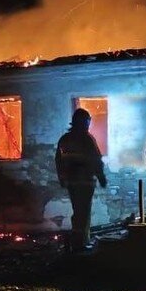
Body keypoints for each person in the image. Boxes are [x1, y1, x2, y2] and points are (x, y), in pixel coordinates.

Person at [55, 108, 107, 251]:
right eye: (87, 120)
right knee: (83, 212)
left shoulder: (64, 139)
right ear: (84, 121)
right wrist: (101, 177)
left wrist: (62, 178)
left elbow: (58, 161)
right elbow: (96, 159)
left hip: (72, 182)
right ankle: (80, 243)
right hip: (85, 181)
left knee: (77, 210)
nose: (88, 123)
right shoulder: (87, 138)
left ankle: (78, 240)